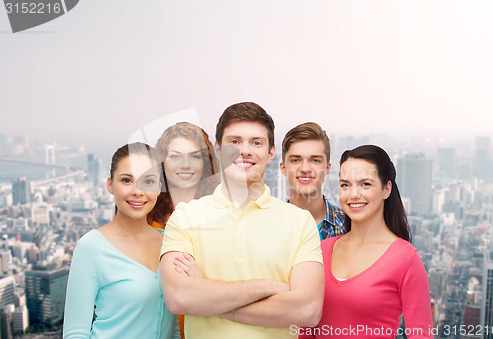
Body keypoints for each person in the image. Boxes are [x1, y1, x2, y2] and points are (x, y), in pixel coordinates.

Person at [160, 102, 324, 339]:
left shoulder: (300, 222)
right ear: (218, 150)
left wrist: (208, 299)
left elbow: (307, 311)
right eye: (234, 142)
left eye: (256, 142)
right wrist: (267, 288)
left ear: (270, 153)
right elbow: (180, 298)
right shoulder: (186, 217)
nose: (244, 150)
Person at [299, 145, 433, 338]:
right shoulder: (321, 249)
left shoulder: (406, 259)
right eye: (345, 185)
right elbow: (305, 329)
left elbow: (421, 334)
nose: (353, 194)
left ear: (386, 189)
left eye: (365, 184)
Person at [63, 142, 180, 339]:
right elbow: (75, 333)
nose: (137, 191)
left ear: (159, 188)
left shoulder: (168, 243)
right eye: (127, 180)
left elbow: (174, 326)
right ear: (110, 184)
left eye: (148, 182)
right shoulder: (91, 247)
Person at [147, 122, 219, 338]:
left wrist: (202, 284)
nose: (185, 165)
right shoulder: (147, 218)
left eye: (195, 156)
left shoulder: (222, 215)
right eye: (176, 156)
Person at [280, 122, 344, 240]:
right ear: (283, 168)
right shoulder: (269, 225)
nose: (305, 169)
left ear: (327, 168)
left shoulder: (349, 225)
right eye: (296, 160)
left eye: (315, 160)